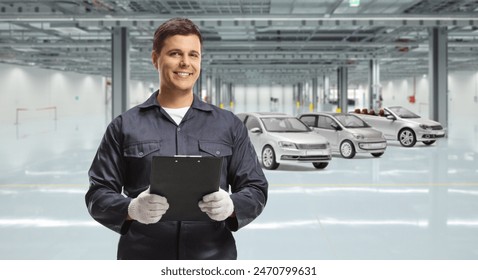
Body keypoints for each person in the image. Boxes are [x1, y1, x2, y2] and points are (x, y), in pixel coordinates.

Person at [85, 17, 268, 260]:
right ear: (155, 59)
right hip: (142, 258)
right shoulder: (124, 126)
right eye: (175, 53)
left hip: (213, 257)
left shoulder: (228, 124)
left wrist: (233, 205)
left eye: (194, 55)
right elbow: (98, 193)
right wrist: (131, 209)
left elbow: (256, 187)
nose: (186, 63)